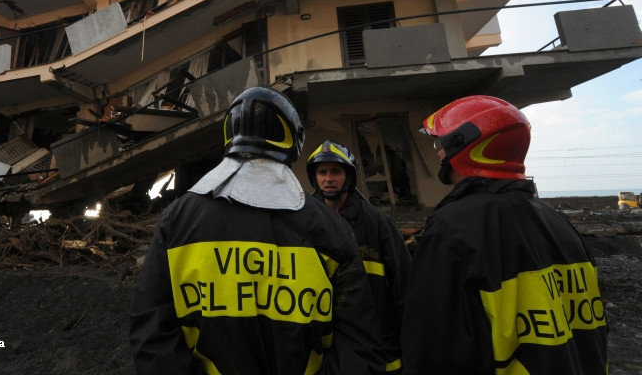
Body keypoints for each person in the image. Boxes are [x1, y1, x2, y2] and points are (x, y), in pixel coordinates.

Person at [129, 86, 385, 375]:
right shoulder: (330, 227)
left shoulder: (177, 220)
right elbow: (359, 342)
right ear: (293, 140)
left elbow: (152, 335)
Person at [401, 95, 608, 374]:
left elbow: (434, 345)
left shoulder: (453, 226)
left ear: (463, 144)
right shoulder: (557, 222)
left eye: (441, 143)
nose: (438, 153)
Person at [307, 140, 412, 373]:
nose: (328, 178)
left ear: (349, 177)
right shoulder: (306, 222)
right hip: (325, 344)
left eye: (335, 171)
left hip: (378, 345)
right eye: (322, 172)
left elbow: (404, 287)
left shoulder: (377, 223)